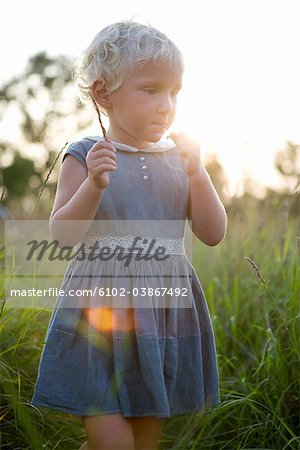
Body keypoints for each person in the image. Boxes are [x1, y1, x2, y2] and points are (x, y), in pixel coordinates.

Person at [31, 20, 227, 450]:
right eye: (151, 90)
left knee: (143, 439)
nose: (166, 105)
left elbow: (213, 233)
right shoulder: (85, 155)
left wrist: (198, 173)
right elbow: (62, 234)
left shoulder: (181, 159)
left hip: (159, 316)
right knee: (111, 438)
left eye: (175, 92)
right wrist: (94, 186)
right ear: (104, 94)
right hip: (98, 312)